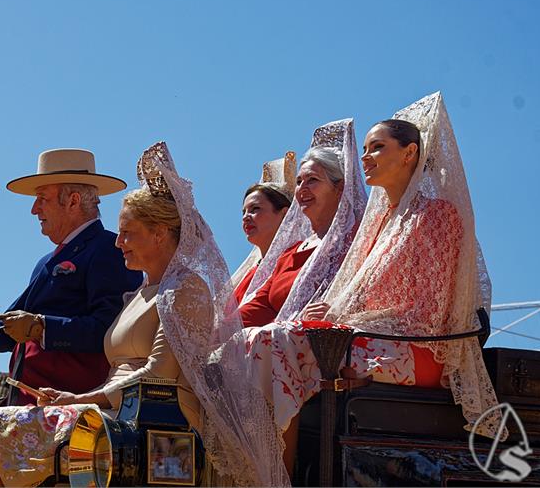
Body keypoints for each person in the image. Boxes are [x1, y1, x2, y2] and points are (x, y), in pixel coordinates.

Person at [210, 94, 501, 486]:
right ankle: (259, 473)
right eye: (364, 148)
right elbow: (356, 298)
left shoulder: (438, 215)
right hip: (370, 340)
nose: (365, 156)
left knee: (271, 342)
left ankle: (278, 479)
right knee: (249, 342)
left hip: (420, 350)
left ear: (410, 153)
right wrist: (332, 316)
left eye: (378, 147)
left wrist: (346, 326)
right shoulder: (378, 225)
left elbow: (427, 312)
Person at [0, 141, 221, 487]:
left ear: (160, 233)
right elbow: (14, 319)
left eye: (128, 233)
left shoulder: (184, 289)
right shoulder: (138, 294)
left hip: (156, 424)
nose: (119, 242)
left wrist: (79, 396)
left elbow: (157, 375)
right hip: (115, 411)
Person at [0, 148, 142, 487]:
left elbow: (107, 332)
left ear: (73, 200)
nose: (35, 209)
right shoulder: (47, 262)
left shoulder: (108, 252)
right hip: (25, 400)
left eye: (42, 199)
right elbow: (10, 324)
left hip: (66, 397)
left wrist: (41, 328)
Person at [238, 119, 367, 327]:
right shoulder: (289, 254)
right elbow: (257, 309)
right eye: (299, 182)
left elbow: (371, 294)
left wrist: (338, 311)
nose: (302, 188)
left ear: (339, 188)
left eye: (312, 180)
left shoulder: (358, 240)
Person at [230, 152, 295, 305]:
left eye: (255, 209)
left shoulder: (293, 262)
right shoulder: (245, 276)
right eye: (243, 212)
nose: (246, 217)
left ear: (284, 214)